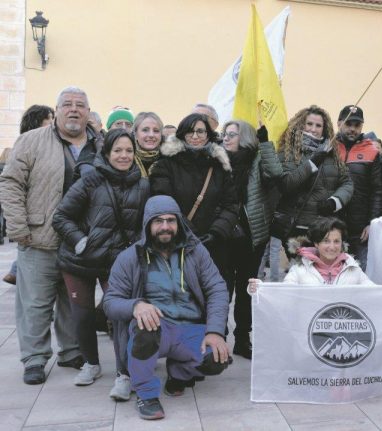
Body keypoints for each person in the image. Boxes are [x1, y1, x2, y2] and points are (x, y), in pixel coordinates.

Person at [0, 86, 104, 385]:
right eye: (67, 105)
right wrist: (19, 227)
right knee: (35, 303)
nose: (74, 110)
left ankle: (71, 351)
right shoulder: (31, 141)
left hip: (82, 241)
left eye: (80, 105)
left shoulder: (101, 145)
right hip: (39, 237)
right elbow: (10, 183)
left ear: (88, 111)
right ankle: (34, 358)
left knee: (74, 301)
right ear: (56, 111)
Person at [103, 195, 231, 420]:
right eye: (158, 221)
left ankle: (179, 373)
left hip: (190, 328)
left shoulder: (195, 251)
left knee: (218, 357)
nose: (165, 227)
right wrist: (136, 306)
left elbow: (217, 288)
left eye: (171, 220)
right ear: (147, 225)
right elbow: (110, 302)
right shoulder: (130, 257)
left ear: (179, 223)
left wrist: (215, 332)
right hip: (156, 330)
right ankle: (146, 394)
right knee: (145, 328)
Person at [52, 129, 150, 395]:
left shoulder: (142, 185)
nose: (123, 155)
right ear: (106, 153)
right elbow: (61, 217)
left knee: (119, 317)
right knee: (82, 316)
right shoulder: (90, 179)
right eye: (117, 150)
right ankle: (91, 364)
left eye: (129, 151)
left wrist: (136, 250)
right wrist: (80, 240)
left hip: (116, 263)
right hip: (79, 260)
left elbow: (145, 225)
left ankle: (124, 374)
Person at [150, 113, 238, 284]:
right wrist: (188, 233)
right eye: (190, 132)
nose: (196, 136)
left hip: (214, 246)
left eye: (201, 131)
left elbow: (231, 204)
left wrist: (216, 232)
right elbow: (163, 202)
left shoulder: (220, 166)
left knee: (213, 296)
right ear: (182, 134)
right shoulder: (166, 164)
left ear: (208, 135)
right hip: (177, 242)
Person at [219, 119, 281, 358]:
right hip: (223, 235)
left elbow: (276, 172)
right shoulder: (218, 159)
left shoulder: (256, 159)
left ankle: (242, 339)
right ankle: (219, 337)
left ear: (244, 137)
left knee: (246, 291)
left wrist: (265, 142)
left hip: (251, 236)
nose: (226, 138)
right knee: (221, 290)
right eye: (225, 134)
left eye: (232, 134)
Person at [247, 217, 382, 289]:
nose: (332, 247)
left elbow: (377, 293)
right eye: (325, 241)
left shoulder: (353, 269)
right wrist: (260, 288)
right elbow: (283, 294)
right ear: (316, 243)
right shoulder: (299, 270)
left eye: (336, 241)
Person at [274, 106, 354, 257]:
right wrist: (312, 163)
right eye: (309, 124)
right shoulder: (288, 151)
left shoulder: (332, 153)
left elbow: (347, 183)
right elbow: (287, 185)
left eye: (318, 126)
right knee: (298, 275)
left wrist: (334, 202)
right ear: (301, 124)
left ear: (324, 129)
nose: (313, 129)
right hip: (296, 229)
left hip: (324, 228)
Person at [2, 104, 55, 285]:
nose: (53, 124)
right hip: (31, 218)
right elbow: (12, 183)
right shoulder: (28, 144)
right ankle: (16, 271)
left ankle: (16, 271)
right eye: (49, 120)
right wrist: (18, 226)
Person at [334, 105, 382, 269]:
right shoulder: (328, 148)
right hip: (332, 227)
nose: (352, 129)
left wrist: (371, 223)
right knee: (333, 277)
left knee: (360, 275)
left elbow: (377, 191)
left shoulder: (372, 150)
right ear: (339, 123)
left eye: (357, 125)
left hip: (360, 229)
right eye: (348, 124)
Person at [132, 112, 164, 177]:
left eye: (156, 131)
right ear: (135, 134)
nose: (151, 135)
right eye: (145, 130)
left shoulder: (171, 160)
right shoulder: (125, 159)